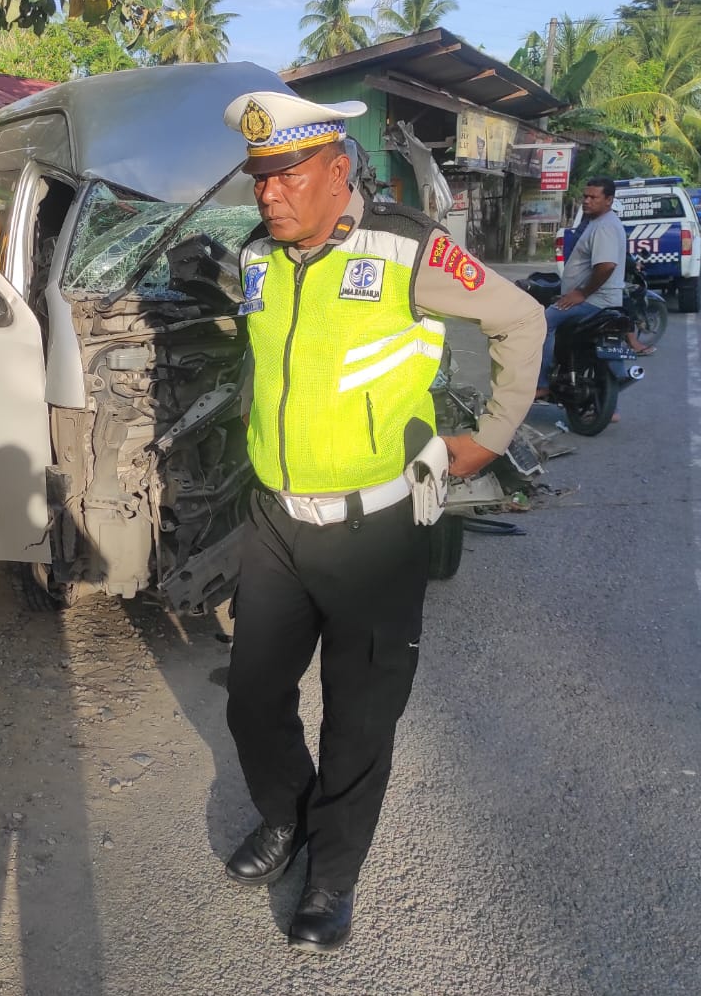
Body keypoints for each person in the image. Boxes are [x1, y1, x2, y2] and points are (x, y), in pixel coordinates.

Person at [219, 91, 545, 951]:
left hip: (378, 527)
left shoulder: (407, 249)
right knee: (253, 699)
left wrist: (486, 439)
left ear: (336, 170)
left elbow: (522, 319)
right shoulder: (256, 259)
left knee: (361, 717)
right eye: (258, 178)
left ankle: (331, 873)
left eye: (285, 174)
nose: (267, 194)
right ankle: (288, 814)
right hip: (277, 523)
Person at [537, 177, 641, 394]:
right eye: (585, 196)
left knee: (544, 322)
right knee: (608, 342)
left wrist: (582, 293)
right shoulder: (600, 222)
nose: (587, 201)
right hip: (604, 299)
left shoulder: (604, 227)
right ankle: (610, 405)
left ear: (609, 200)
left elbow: (606, 266)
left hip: (594, 300)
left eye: (593, 197)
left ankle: (542, 383)